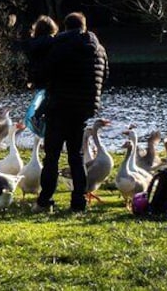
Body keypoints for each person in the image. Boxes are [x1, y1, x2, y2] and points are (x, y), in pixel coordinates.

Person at [32, 11, 109, 214]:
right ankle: (78, 202)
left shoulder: (61, 47)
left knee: (52, 156)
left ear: (66, 27)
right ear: (84, 26)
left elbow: (46, 71)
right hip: (83, 109)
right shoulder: (99, 49)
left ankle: (45, 200)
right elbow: (105, 76)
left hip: (59, 107)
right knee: (76, 155)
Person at [23, 15, 59, 137]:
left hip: (38, 78)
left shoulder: (32, 44)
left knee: (42, 100)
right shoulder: (54, 42)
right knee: (51, 102)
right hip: (51, 76)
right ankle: (40, 120)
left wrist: (31, 79)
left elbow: (31, 64)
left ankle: (39, 120)